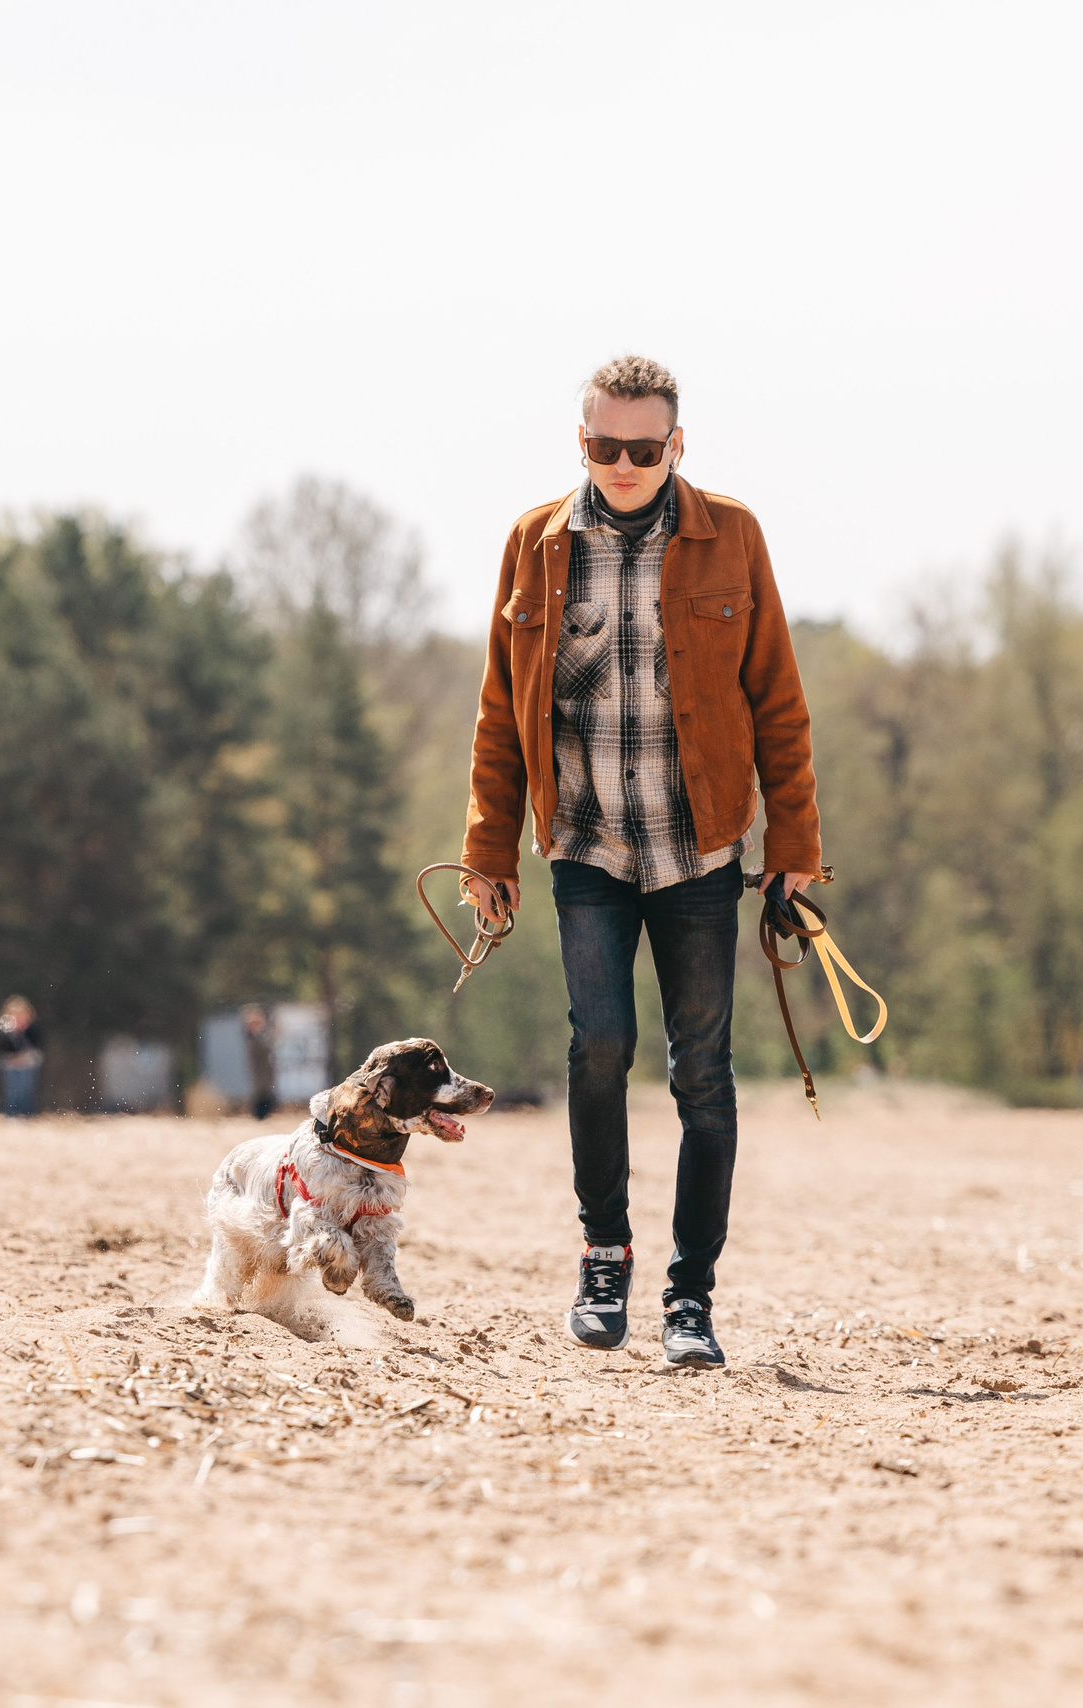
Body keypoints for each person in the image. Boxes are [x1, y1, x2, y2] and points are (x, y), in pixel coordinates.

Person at [458, 355, 824, 1371]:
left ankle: (689, 1297)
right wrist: (487, 847)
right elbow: (500, 713)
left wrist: (795, 847)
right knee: (599, 1046)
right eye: (604, 445)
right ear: (581, 443)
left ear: (677, 444)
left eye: (644, 447)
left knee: (702, 1071)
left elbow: (778, 703)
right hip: (585, 842)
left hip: (699, 846)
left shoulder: (731, 535)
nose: (623, 464)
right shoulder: (535, 543)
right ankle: (604, 1256)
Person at [0, 996, 44, 1117]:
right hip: (10, 1066)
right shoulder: (5, 1031)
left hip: (27, 1065)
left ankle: (27, 1114)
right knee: (11, 1092)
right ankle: (11, 1114)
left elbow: (36, 1050)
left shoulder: (32, 1030)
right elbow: (2, 1051)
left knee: (26, 1091)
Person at [240, 1003, 278, 1123]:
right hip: (259, 1075)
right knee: (261, 1097)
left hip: (264, 1074)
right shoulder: (252, 1038)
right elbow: (264, 1047)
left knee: (266, 1096)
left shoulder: (258, 1036)